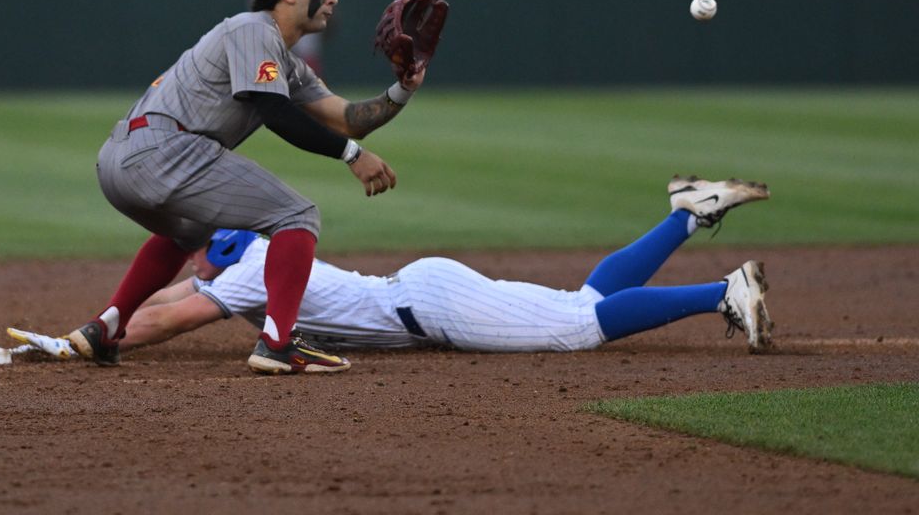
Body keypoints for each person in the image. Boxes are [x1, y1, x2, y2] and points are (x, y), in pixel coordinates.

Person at [67, 0, 428, 375]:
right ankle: (278, 342)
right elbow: (272, 110)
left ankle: (105, 328)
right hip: (166, 150)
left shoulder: (283, 61)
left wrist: (402, 89)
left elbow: (347, 119)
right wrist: (352, 156)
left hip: (121, 161)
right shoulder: (253, 29)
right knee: (297, 216)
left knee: (188, 232)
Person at [96, 175, 775, 363]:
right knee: (581, 299)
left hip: (435, 307)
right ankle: (688, 213)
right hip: (426, 291)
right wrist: (97, 327)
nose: (189, 257)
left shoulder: (252, 273)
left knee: (579, 328)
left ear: (217, 248)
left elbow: (168, 317)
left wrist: (104, 339)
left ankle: (723, 291)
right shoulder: (255, 260)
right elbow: (178, 293)